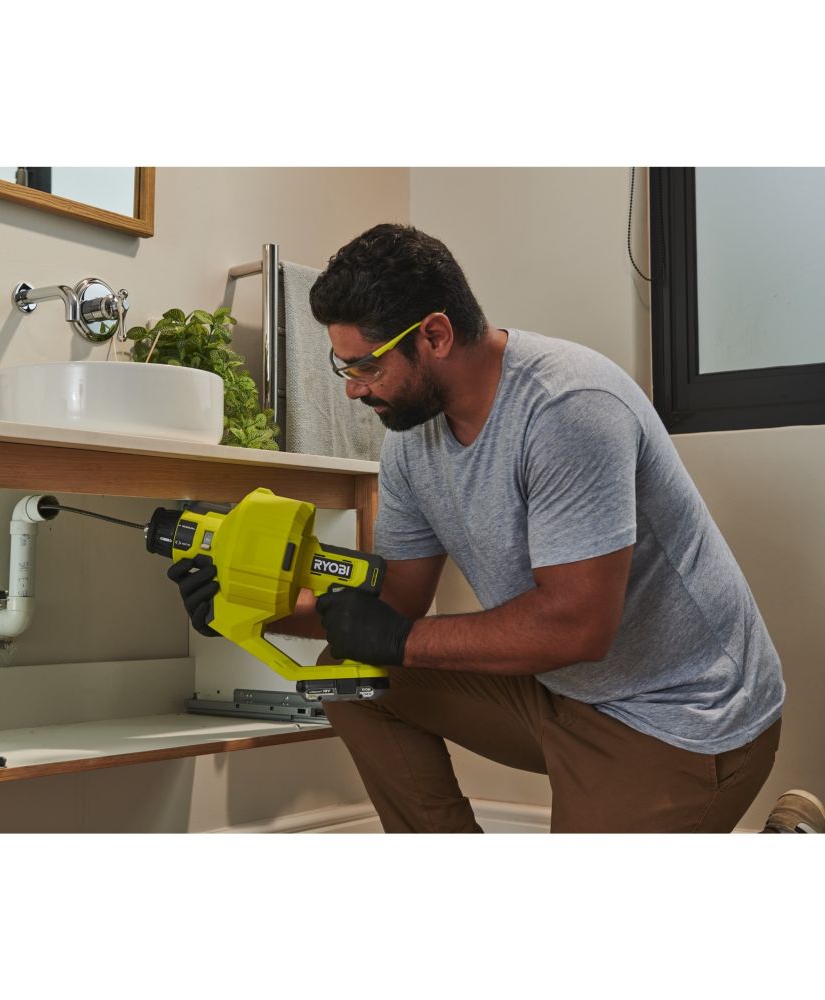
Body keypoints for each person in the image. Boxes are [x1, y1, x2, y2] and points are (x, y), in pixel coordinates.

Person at [169, 223, 799, 833]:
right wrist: (251, 609)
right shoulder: (411, 441)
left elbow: (578, 626)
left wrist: (401, 640)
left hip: (680, 716)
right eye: (346, 369)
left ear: (435, 335)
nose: (354, 391)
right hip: (561, 693)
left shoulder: (567, 409)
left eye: (366, 367)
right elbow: (396, 604)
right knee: (350, 672)